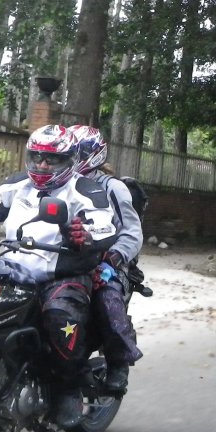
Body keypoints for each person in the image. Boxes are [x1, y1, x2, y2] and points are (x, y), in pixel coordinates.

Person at [0, 124, 118, 428]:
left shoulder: (84, 189)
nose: (42, 165)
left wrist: (84, 233)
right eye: (37, 157)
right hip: (11, 269)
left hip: (61, 273)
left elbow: (105, 224)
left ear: (69, 160)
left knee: (58, 316)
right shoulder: (17, 185)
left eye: (51, 159)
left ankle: (68, 387)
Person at [67, 124, 144, 396]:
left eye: (76, 153)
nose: (71, 159)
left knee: (106, 299)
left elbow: (133, 234)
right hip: (64, 262)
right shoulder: (58, 184)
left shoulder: (113, 188)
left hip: (107, 265)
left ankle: (119, 361)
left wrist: (111, 259)